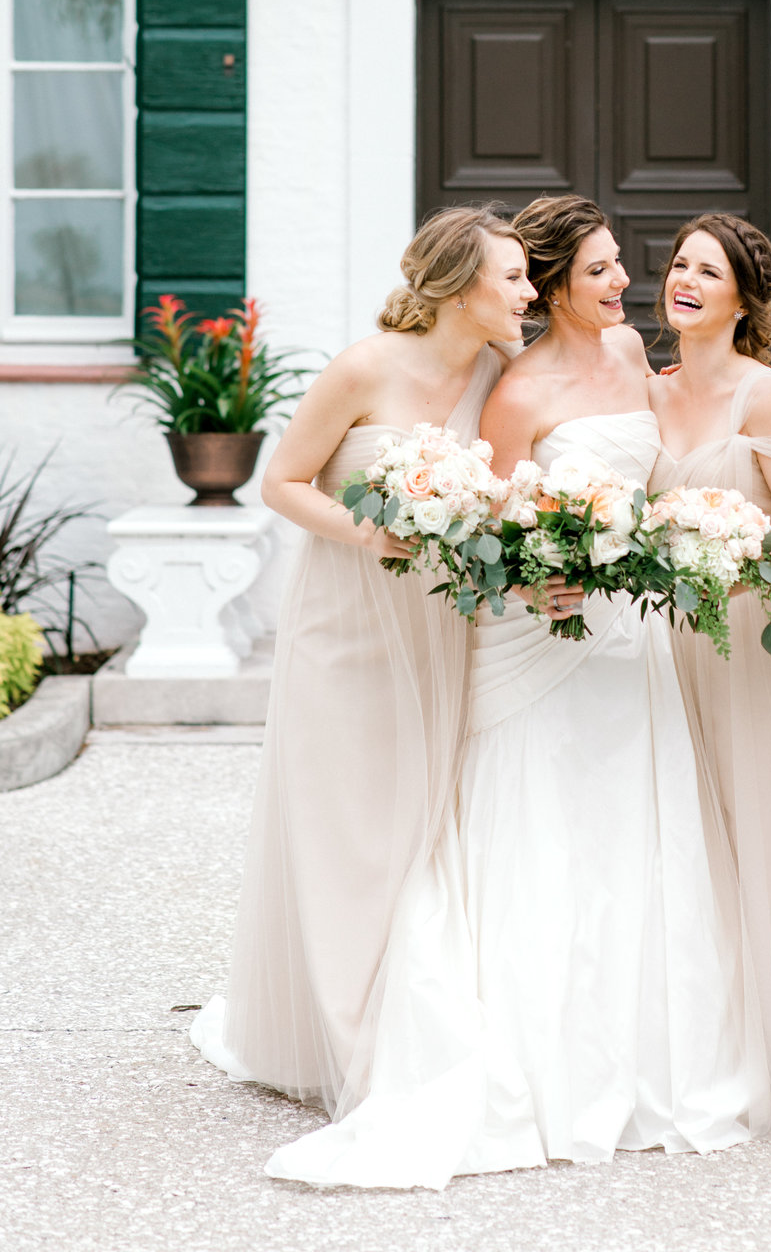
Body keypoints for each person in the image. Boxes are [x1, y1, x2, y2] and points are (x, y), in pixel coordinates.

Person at [265, 195, 768, 1189]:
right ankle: (527, 1057)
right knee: (533, 824)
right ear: (541, 286)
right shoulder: (511, 386)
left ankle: (643, 1048)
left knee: (635, 826)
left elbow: (671, 458)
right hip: (539, 629)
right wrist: (543, 564)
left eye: (619, 264)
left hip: (633, 634)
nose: (621, 282)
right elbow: (499, 517)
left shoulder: (633, 359)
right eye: (597, 271)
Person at [190, 206, 535, 1115]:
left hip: (438, 626)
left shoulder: (501, 376)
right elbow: (282, 482)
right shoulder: (365, 366)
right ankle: (346, 1035)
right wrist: (367, 534)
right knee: (340, 821)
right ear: (462, 287)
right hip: (343, 622)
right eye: (513, 277)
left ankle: (405, 1011)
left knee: (416, 819)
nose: (528, 292)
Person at [648, 213, 771, 1137]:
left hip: (752, 641)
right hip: (659, 643)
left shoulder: (766, 399)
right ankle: (695, 1040)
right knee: (683, 840)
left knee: (759, 827)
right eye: (679, 264)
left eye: (707, 271)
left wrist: (740, 554)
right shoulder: (648, 390)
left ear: (743, 298)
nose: (684, 280)